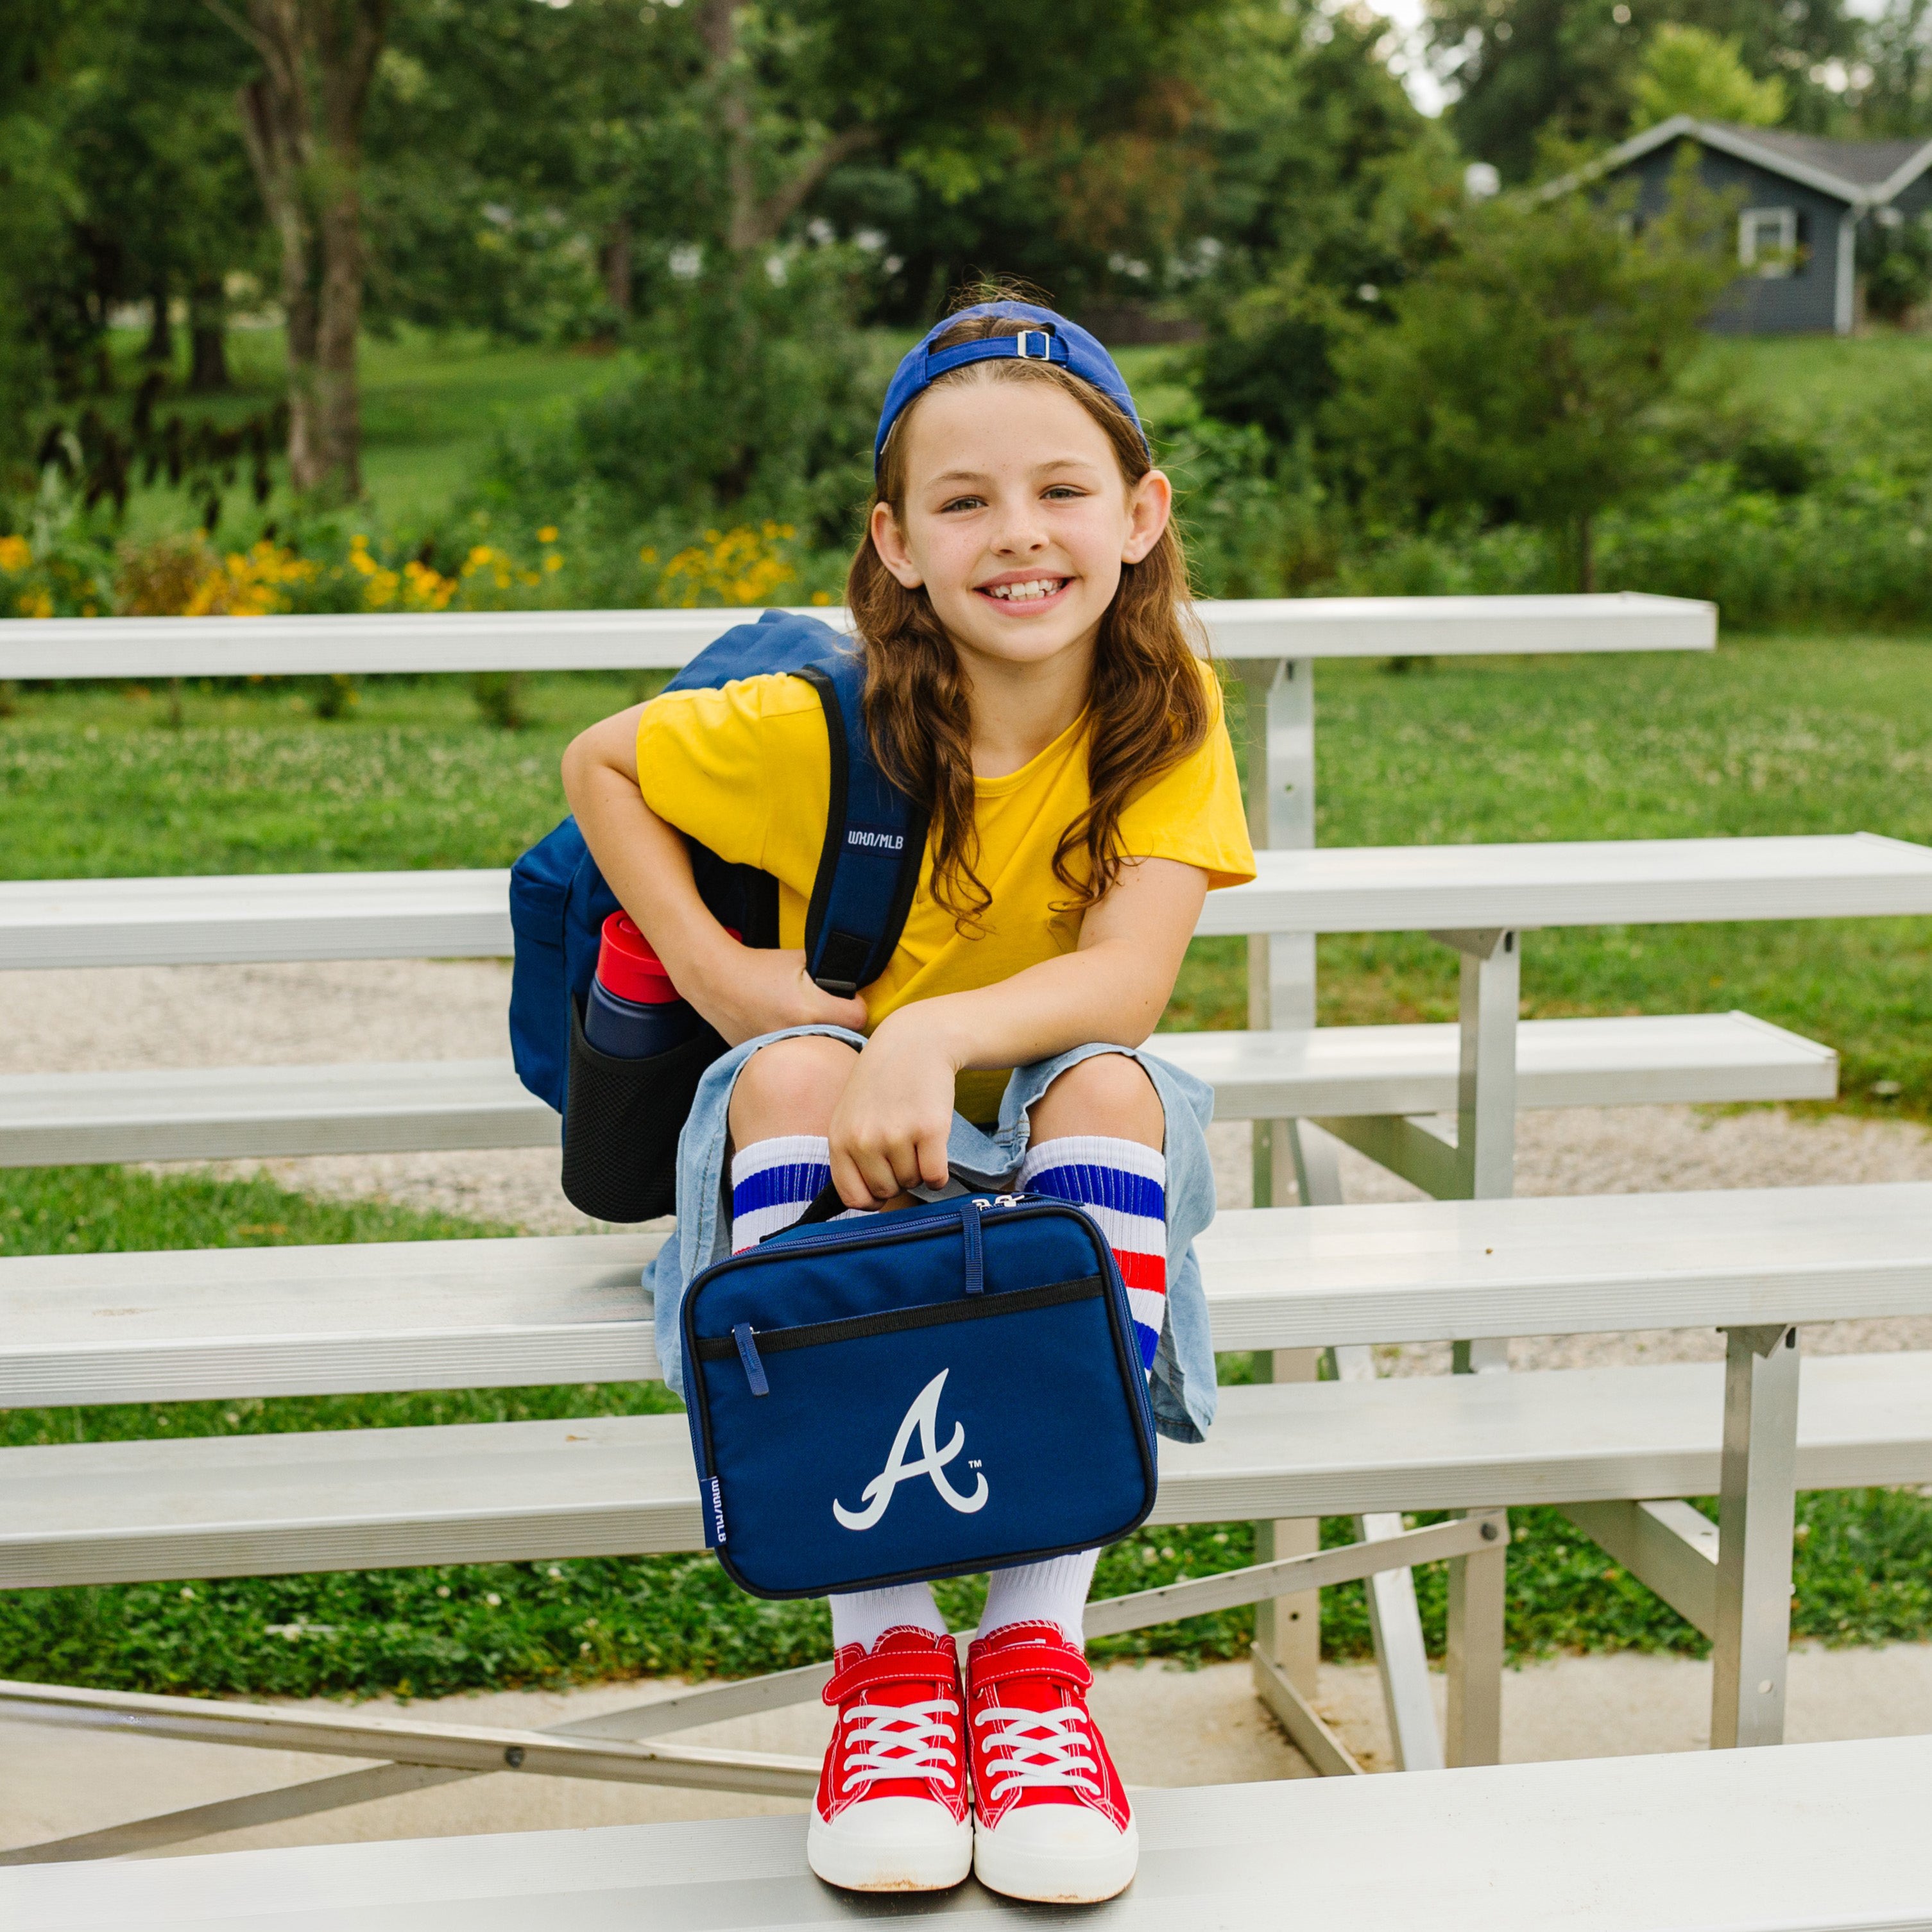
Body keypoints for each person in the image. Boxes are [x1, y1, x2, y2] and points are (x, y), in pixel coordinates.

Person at [561, 295, 1255, 1903]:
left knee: (1116, 1093)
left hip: (1028, 1118)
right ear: (896, 543)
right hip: (827, 1118)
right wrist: (732, 983)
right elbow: (604, 762)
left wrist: (932, 1038)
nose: (1019, 535)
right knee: (793, 1063)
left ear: (1141, 516)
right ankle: (880, 1665)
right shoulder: (820, 724)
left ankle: (1029, 1672)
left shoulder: (1164, 719)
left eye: (1062, 490)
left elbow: (1127, 981)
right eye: (964, 501)